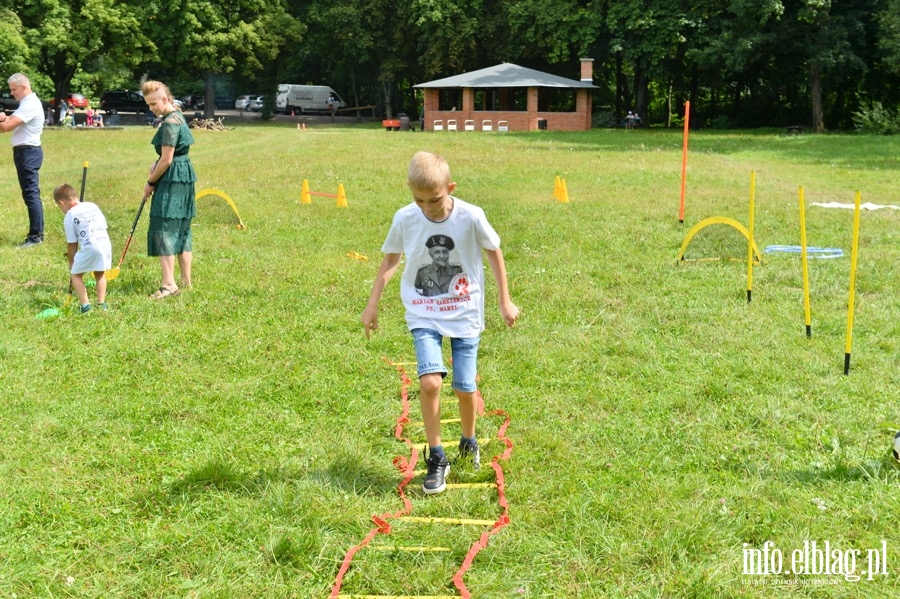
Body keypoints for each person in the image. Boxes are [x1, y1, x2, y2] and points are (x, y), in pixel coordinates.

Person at [361, 151, 519, 495]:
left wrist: (504, 300)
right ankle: (436, 456)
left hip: (464, 312)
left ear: (450, 187)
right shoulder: (406, 217)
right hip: (423, 311)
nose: (427, 208)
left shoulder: (471, 216)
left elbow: (494, 251)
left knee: (465, 389)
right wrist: (372, 304)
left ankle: (468, 441)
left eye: (434, 199)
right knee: (430, 383)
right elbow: (391, 258)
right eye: (418, 199)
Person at [141, 80, 197, 299]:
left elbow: (166, 160)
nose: (151, 108)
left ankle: (169, 285)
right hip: (183, 174)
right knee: (181, 226)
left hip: (173, 178)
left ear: (165, 99)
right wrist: (159, 163)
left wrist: (151, 182)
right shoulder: (177, 115)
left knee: (164, 226)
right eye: (148, 104)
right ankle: (186, 282)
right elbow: (168, 157)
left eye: (154, 103)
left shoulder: (170, 123)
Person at [0, 73, 45, 248]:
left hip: (28, 152)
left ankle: (36, 236)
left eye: (13, 89)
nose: (12, 93)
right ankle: (36, 234)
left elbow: (7, 126)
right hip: (24, 152)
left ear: (24, 87)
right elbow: (9, 120)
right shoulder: (26, 104)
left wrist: (4, 119)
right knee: (29, 194)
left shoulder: (31, 104)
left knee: (31, 194)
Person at [53, 183, 112, 313]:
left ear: (61, 203)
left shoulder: (70, 215)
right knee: (100, 273)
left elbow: (72, 243)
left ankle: (86, 305)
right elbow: (104, 226)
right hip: (105, 243)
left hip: (90, 246)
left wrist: (71, 262)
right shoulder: (92, 206)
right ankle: (101, 304)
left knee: (75, 275)